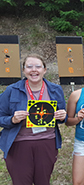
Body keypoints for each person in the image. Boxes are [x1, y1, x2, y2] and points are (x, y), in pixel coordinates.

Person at [0, 54, 67, 185]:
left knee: (43, 181)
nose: (34, 70)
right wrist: (12, 119)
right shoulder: (12, 90)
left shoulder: (55, 90)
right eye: (29, 67)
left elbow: (61, 117)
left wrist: (63, 116)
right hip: (19, 143)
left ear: (45, 70)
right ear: (24, 70)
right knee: (21, 182)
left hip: (47, 141)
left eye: (38, 66)